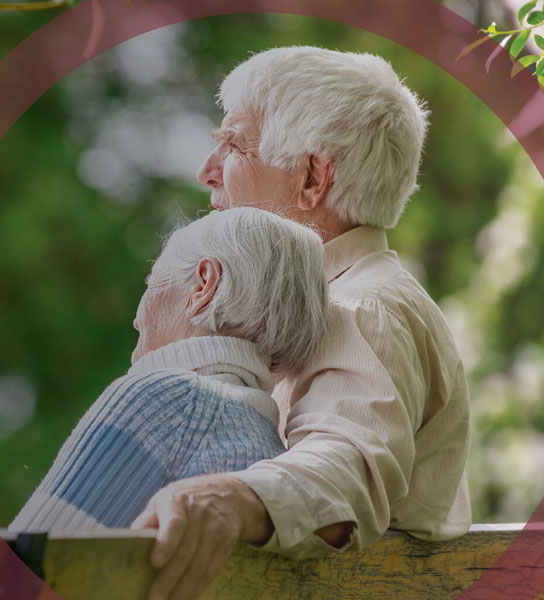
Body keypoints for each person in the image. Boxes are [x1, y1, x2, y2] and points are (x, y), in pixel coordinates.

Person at [131, 47, 472, 600]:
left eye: (233, 145)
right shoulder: (330, 299)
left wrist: (227, 498)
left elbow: (347, 463)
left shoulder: (363, 307)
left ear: (312, 178)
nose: (206, 171)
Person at [8, 207, 328, 532]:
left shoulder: (163, 401)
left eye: (151, 283)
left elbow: (18, 567)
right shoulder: (270, 446)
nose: (137, 318)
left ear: (203, 285)